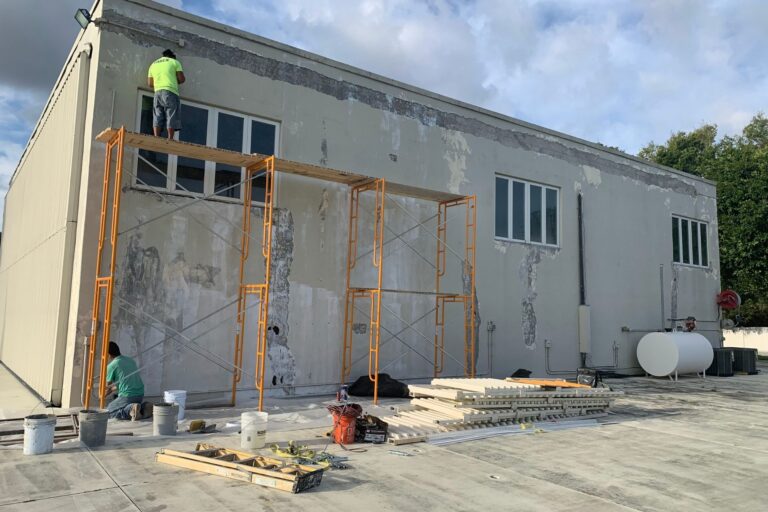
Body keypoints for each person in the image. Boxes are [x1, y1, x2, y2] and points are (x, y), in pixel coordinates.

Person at [147, 49, 185, 139]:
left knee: (157, 114)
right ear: (172, 56)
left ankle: (156, 136)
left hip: (157, 92)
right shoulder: (175, 62)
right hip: (170, 91)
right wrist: (174, 79)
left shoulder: (153, 64)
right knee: (171, 113)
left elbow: (150, 83)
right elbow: (182, 79)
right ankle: (170, 138)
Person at [105, 342, 148, 420]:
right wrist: (110, 390)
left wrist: (102, 396)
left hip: (127, 396)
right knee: (120, 404)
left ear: (108, 354)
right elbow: (121, 384)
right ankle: (143, 408)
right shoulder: (130, 360)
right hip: (140, 395)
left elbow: (108, 387)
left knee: (108, 412)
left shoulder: (112, 366)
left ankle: (131, 409)